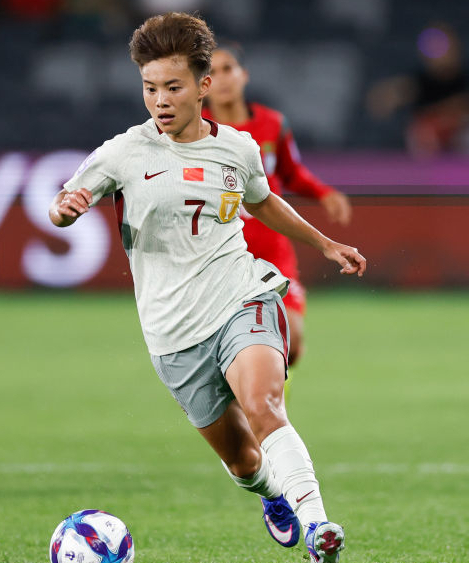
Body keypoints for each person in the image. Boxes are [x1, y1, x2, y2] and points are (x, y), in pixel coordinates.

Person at [48, 12, 365, 563]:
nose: (160, 100)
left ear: (203, 85)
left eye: (173, 87)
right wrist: (66, 209)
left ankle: (318, 528)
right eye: (150, 88)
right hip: (172, 332)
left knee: (266, 405)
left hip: (240, 296)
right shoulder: (124, 152)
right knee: (244, 462)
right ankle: (274, 495)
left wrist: (324, 244)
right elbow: (63, 204)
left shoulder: (238, 148)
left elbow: (263, 201)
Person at [203, 42, 353, 367]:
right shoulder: (193, 130)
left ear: (244, 75)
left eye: (228, 69)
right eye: (212, 72)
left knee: (292, 343)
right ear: (203, 83)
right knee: (222, 348)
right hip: (219, 254)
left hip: (272, 250)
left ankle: (271, 390)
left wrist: (324, 193)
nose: (222, 79)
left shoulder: (272, 124)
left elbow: (291, 173)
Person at [366, 22, 469, 157]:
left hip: (464, 148)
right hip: (426, 151)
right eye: (431, 47)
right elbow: (381, 100)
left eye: (443, 46)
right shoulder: (419, 81)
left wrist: (442, 117)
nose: (438, 53)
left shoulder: (468, 77)